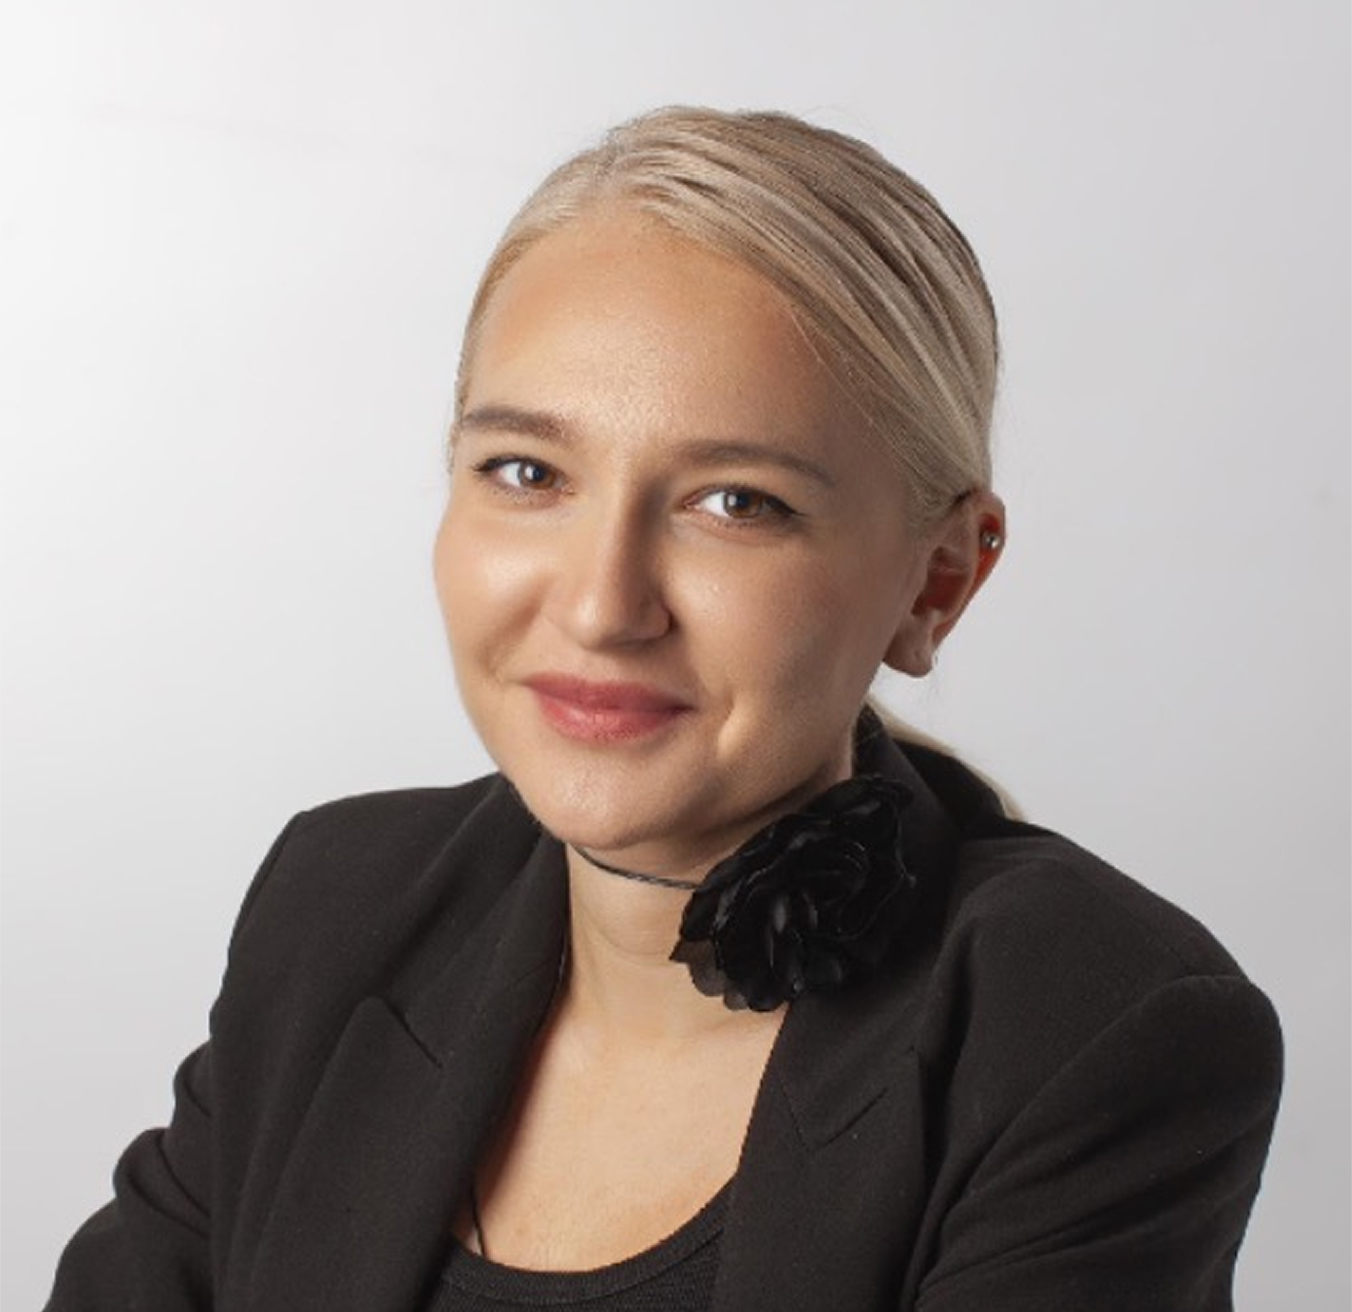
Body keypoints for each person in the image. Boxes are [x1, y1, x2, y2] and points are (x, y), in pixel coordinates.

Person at [46, 106, 1281, 1312]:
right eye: (527, 472)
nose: (600, 605)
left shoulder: (1090, 1026)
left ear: (936, 581)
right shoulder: (336, 905)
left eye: (736, 502)